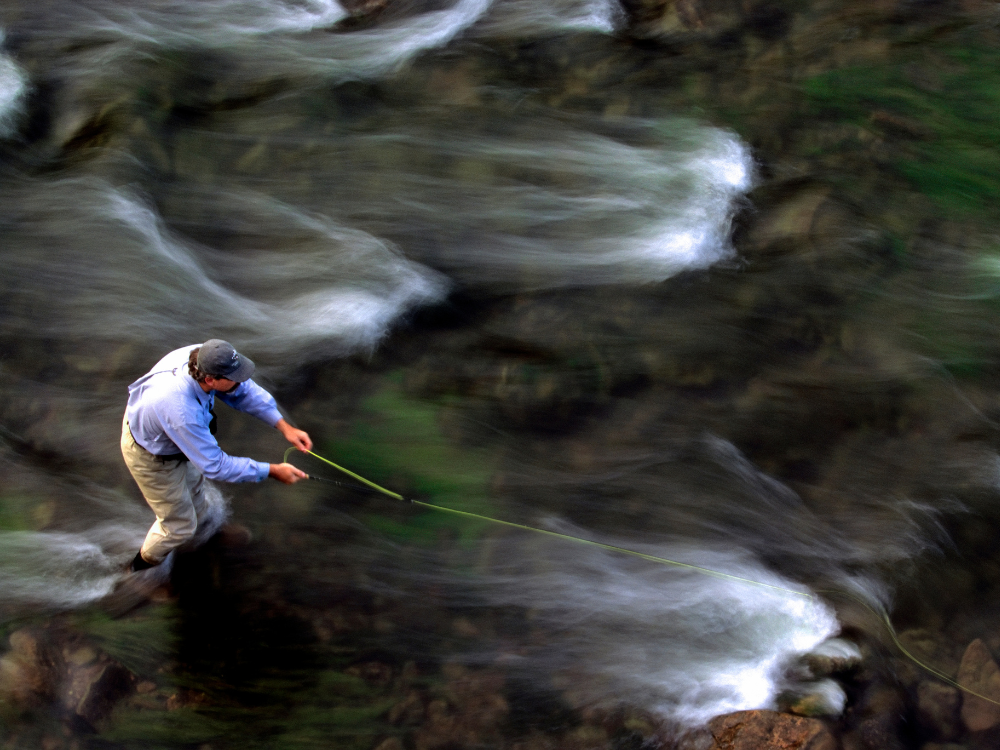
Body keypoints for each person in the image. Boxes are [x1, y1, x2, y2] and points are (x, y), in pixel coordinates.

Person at [121, 339, 311, 572]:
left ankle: (208, 534)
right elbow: (215, 465)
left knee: (196, 490)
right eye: (233, 376)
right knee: (178, 525)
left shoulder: (206, 356)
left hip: (174, 436)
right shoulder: (182, 411)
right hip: (151, 456)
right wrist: (271, 471)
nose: (240, 380)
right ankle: (139, 571)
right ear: (210, 380)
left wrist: (285, 427)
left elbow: (244, 391)